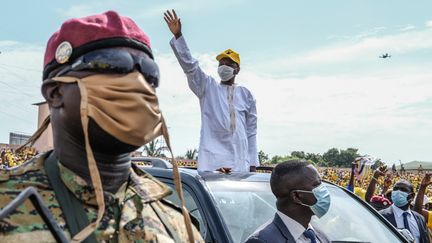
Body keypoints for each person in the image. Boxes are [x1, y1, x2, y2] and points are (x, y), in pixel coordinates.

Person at [0, 11, 202, 243]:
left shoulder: (177, 225)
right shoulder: (8, 204)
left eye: (148, 74)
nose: (137, 84)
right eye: (114, 66)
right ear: (55, 93)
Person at [164, 10, 259, 172]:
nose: (224, 67)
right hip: (214, 161)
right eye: (221, 64)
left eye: (229, 64)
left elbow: (251, 130)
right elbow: (190, 67)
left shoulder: (246, 94)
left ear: (237, 69)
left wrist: (253, 163)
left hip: (241, 161)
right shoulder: (207, 87)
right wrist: (179, 36)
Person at [245, 160, 331, 243]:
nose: (323, 189)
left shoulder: (320, 236)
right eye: (317, 185)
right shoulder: (262, 240)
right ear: (296, 196)